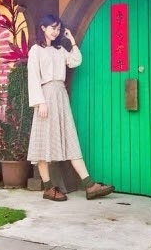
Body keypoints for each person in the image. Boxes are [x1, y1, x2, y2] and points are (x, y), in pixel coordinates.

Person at [27, 14, 114, 202]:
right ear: (43, 28)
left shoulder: (60, 50)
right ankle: (48, 188)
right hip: (45, 97)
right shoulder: (36, 50)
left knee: (70, 138)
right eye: (53, 28)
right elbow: (33, 77)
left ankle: (89, 185)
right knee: (42, 142)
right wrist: (40, 102)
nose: (56, 32)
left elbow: (76, 60)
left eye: (58, 29)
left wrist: (72, 41)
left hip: (61, 95)